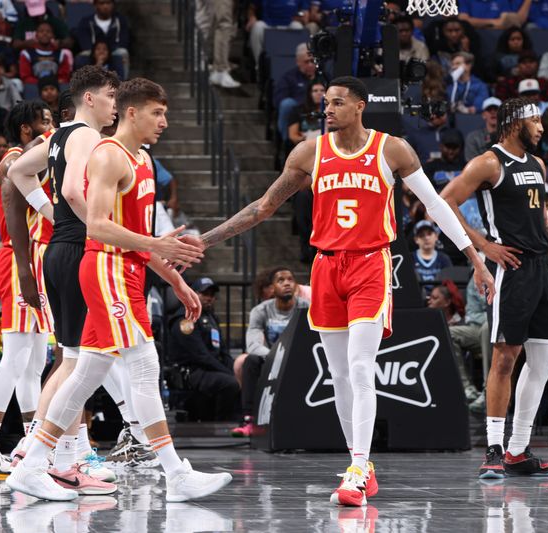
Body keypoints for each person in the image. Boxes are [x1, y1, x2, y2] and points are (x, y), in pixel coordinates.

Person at [199, 76, 493, 506]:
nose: (328, 109)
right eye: (325, 102)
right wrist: (205, 241)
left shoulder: (392, 149)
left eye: (337, 102)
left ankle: (356, 468)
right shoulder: (309, 151)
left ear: (360, 105)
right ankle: (362, 466)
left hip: (371, 265)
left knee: (359, 366)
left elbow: (434, 204)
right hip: (326, 268)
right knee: (339, 376)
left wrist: (475, 257)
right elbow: (263, 208)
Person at [7, 76, 232, 502]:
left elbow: (140, 235)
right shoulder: (106, 154)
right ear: (132, 112)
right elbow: (97, 225)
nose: (164, 122)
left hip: (127, 270)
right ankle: (175, 474)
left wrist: (178, 280)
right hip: (105, 267)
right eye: (157, 113)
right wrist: (155, 245)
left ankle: (34, 461)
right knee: (141, 368)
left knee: (86, 371)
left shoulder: (144, 159)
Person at [5, 66, 124, 498]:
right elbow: (74, 189)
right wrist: (98, 223)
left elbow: (18, 173)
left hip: (59, 248)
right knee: (80, 362)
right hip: (77, 250)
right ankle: (41, 455)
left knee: (73, 358)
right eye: (111, 96)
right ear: (89, 99)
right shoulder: (88, 138)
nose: (116, 105)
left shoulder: (57, 136)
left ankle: (56, 457)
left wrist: (53, 214)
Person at [441, 97, 548, 478]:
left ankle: (518, 450)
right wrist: (483, 246)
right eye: (536, 121)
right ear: (517, 122)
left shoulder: (538, 164)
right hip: (510, 269)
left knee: (544, 360)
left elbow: (544, 222)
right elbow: (444, 201)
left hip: (541, 269)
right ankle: (494, 449)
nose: (542, 128)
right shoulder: (488, 163)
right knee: (504, 358)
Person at [0, 101, 54, 477]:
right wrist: (24, 269)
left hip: (32, 259)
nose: (52, 128)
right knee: (16, 357)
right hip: (20, 258)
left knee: (34, 362)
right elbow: (16, 221)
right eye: (45, 122)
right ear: (24, 129)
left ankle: (30, 442)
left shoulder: (28, 159)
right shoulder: (13, 161)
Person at [231, 268, 308, 436]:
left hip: (301, 360)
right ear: (272, 288)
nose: (287, 283)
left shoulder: (307, 307)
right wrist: (276, 357)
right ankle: (249, 419)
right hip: (271, 359)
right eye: (281, 280)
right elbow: (252, 344)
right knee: (250, 361)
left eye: (290, 279)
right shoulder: (261, 311)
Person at [167, 278, 240, 421]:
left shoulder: (211, 318)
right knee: (230, 383)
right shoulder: (185, 318)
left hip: (209, 369)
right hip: (191, 372)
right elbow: (200, 355)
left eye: (212, 295)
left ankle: (239, 422)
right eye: (205, 294)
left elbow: (223, 352)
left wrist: (235, 370)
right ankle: (222, 426)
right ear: (192, 294)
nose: (209, 298)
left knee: (241, 378)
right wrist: (228, 373)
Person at [451, 278, 490, 411]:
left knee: (487, 328)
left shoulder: (511, 272)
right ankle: (467, 389)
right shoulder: (476, 278)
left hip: (506, 329)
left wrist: (492, 319)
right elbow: (472, 314)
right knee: (450, 333)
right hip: (478, 328)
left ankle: (488, 392)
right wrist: (491, 317)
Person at [74, 0, 131, 80]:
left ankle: (123, 81)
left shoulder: (120, 20)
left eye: (108, 3)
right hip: (92, 50)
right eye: (102, 3)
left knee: (123, 52)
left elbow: (123, 41)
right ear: (95, 5)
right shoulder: (86, 21)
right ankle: (82, 81)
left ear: (113, 4)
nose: (105, 6)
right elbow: (84, 43)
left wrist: (107, 51)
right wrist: (98, 51)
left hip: (113, 50)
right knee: (82, 55)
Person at [275, 43, 318, 141]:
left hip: (319, 110)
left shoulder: (323, 77)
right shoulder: (289, 77)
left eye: (313, 61)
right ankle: (287, 141)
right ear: (298, 62)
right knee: (287, 104)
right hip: (298, 112)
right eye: (307, 62)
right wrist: (303, 104)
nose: (311, 65)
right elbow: (279, 100)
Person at [246, 1, 308, 65]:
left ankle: (295, 68)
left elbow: (305, 16)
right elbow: (251, 8)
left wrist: (300, 17)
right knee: (257, 26)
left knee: (297, 26)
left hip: (289, 27)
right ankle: (260, 67)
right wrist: (252, 17)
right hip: (268, 27)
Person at [412, 220, 453, 292]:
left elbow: (450, 284)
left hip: (440, 301)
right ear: (416, 239)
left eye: (429, 234)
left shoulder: (444, 259)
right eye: (422, 235)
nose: (426, 238)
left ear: (436, 236)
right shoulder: (410, 258)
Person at [287, 78, 326, 146]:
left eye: (322, 90)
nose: (319, 93)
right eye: (315, 91)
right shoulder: (298, 110)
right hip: (306, 146)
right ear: (309, 94)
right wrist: (307, 138)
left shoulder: (332, 110)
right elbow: (293, 136)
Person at [465, 97, 501, 161]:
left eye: (496, 109)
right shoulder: (473, 137)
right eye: (489, 110)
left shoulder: (509, 137)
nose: (493, 112)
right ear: (483, 115)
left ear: (502, 114)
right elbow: (471, 162)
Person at [457, 0, 532, 30]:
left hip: (496, 34)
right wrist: (492, 22)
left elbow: (504, 22)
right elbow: (463, 20)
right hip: (472, 33)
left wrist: (476, 22)